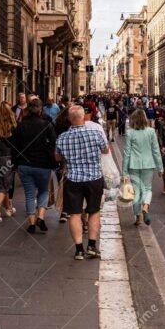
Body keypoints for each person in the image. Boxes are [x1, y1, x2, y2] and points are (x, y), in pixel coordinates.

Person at [56, 106, 109, 259]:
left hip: (73, 179)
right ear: (83, 117)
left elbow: (57, 157)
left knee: (74, 214)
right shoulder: (95, 133)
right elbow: (105, 150)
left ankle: (79, 249)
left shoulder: (62, 138)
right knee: (93, 211)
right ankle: (92, 245)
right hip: (94, 178)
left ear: (69, 119)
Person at [11, 98, 57, 233]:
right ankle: (41, 217)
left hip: (24, 165)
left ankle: (31, 223)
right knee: (43, 191)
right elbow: (54, 144)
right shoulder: (47, 125)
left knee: (29, 194)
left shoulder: (21, 125)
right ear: (40, 109)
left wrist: (15, 163)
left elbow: (14, 145)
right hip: (43, 165)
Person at [123, 109, 163, 226]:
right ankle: (145, 206)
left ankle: (138, 218)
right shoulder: (151, 132)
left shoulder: (130, 132)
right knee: (147, 188)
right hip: (148, 164)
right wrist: (160, 167)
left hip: (134, 165)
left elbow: (127, 153)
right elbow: (156, 151)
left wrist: (124, 171)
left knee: (135, 191)